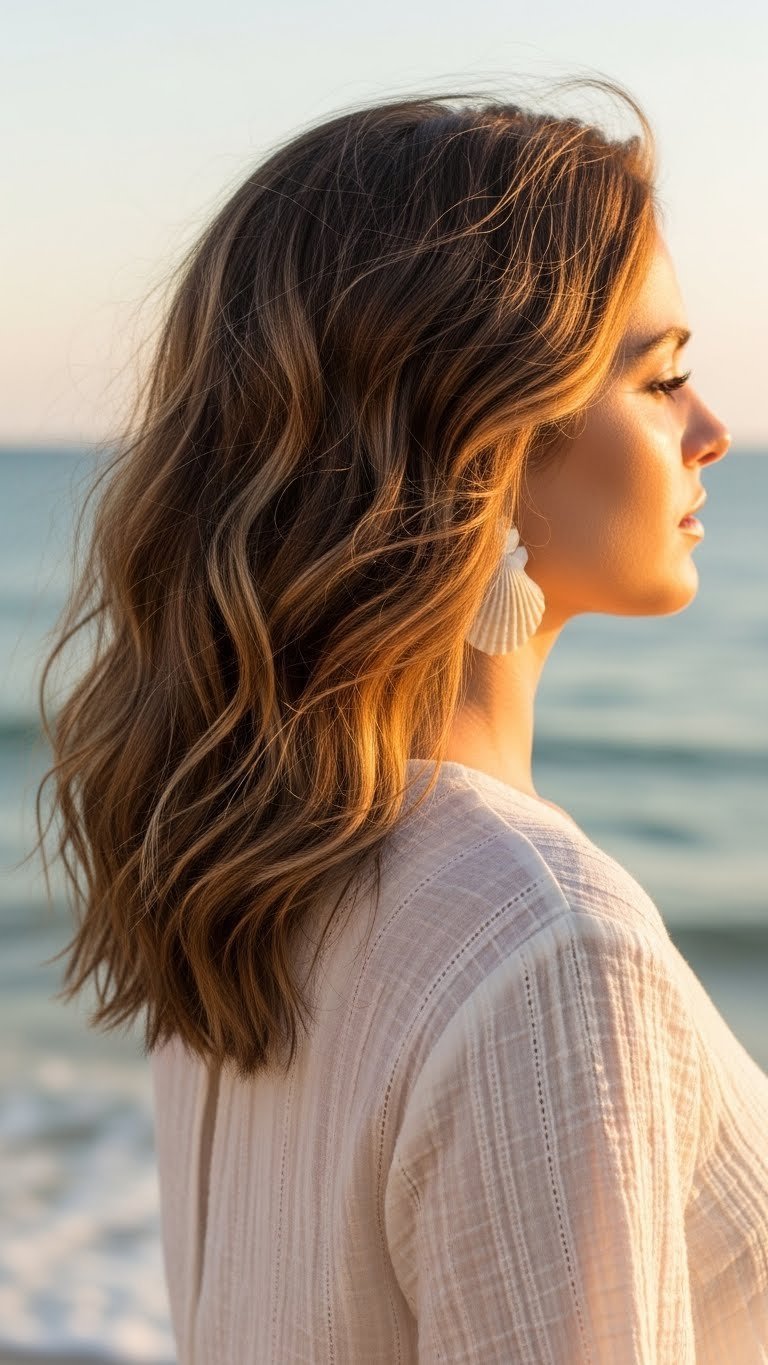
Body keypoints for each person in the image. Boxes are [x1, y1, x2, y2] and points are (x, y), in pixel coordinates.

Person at [33, 78, 768, 1361]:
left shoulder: (240, 871)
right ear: (480, 439)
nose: (711, 431)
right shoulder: (548, 946)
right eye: (663, 379)